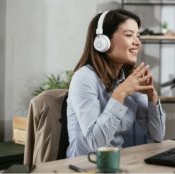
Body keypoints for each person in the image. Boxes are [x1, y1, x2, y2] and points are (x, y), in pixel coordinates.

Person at [66, 9, 166, 158]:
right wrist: (120, 93)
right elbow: (95, 144)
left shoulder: (127, 79)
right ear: (103, 41)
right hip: (83, 166)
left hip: (115, 164)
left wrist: (153, 97)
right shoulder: (84, 78)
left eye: (138, 36)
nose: (137, 42)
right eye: (129, 35)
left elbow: (157, 135)